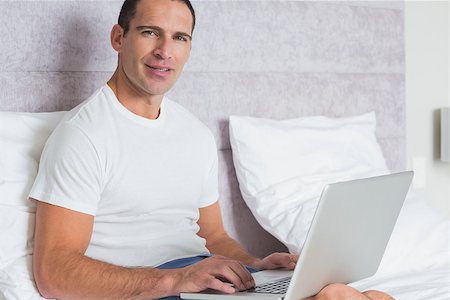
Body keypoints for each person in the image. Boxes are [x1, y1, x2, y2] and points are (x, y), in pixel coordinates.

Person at [29, 0, 393, 299]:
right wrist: (175, 280)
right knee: (336, 298)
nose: (164, 52)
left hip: (201, 283)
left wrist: (256, 264)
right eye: (150, 32)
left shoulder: (194, 134)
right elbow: (54, 271)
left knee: (360, 294)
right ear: (118, 37)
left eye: (180, 38)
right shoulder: (84, 135)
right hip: (149, 288)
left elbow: (214, 237)